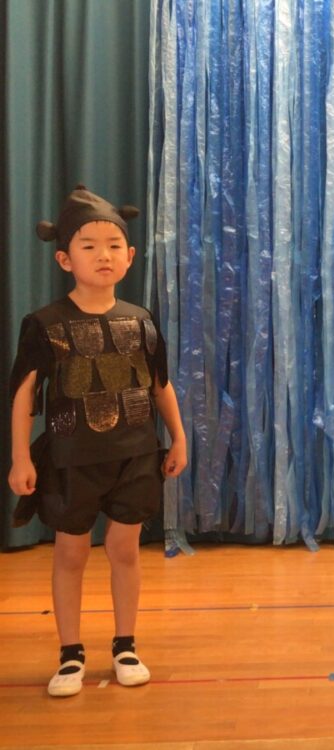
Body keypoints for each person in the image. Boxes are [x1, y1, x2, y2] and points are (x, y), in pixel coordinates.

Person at [7, 185, 187, 697]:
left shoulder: (141, 320)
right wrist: (20, 457)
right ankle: (70, 654)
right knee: (70, 554)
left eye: (113, 245)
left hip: (136, 455)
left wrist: (178, 438)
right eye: (89, 246)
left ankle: (125, 645)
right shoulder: (45, 324)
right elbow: (23, 394)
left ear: (129, 256)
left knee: (124, 550)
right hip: (72, 459)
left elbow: (160, 385)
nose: (103, 255)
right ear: (65, 258)